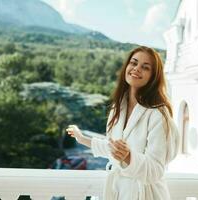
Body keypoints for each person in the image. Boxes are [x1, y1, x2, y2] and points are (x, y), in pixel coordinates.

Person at [66, 46, 179, 200]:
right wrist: (82, 138)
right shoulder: (118, 108)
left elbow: (155, 170)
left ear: (153, 77)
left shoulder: (158, 114)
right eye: (134, 63)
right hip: (119, 192)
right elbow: (114, 149)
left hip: (146, 195)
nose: (137, 69)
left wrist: (128, 157)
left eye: (145, 67)